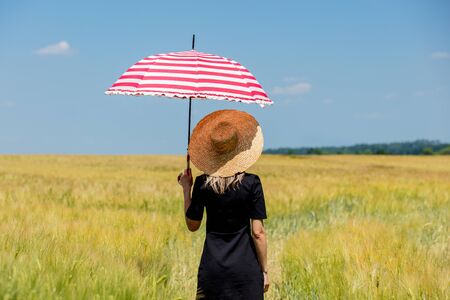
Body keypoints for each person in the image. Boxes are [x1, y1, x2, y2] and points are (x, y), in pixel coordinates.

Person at [178, 109, 269, 299]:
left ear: (212, 150)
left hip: (213, 269)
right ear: (239, 149)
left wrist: (187, 188)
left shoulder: (203, 184)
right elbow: (258, 232)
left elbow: (192, 225)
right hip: (246, 270)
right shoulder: (252, 183)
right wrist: (265, 271)